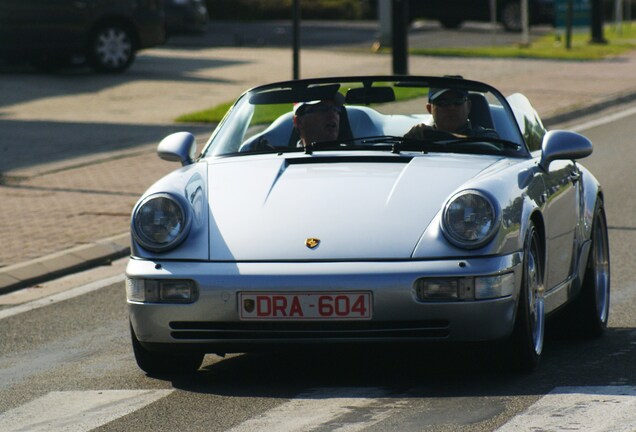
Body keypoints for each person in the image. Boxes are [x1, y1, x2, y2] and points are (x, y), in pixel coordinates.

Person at [404, 87, 498, 140]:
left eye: (458, 101)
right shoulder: (420, 136)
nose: (451, 108)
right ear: (430, 109)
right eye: (442, 103)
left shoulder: (487, 137)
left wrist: (437, 135)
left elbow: (491, 145)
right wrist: (409, 138)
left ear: (468, 106)